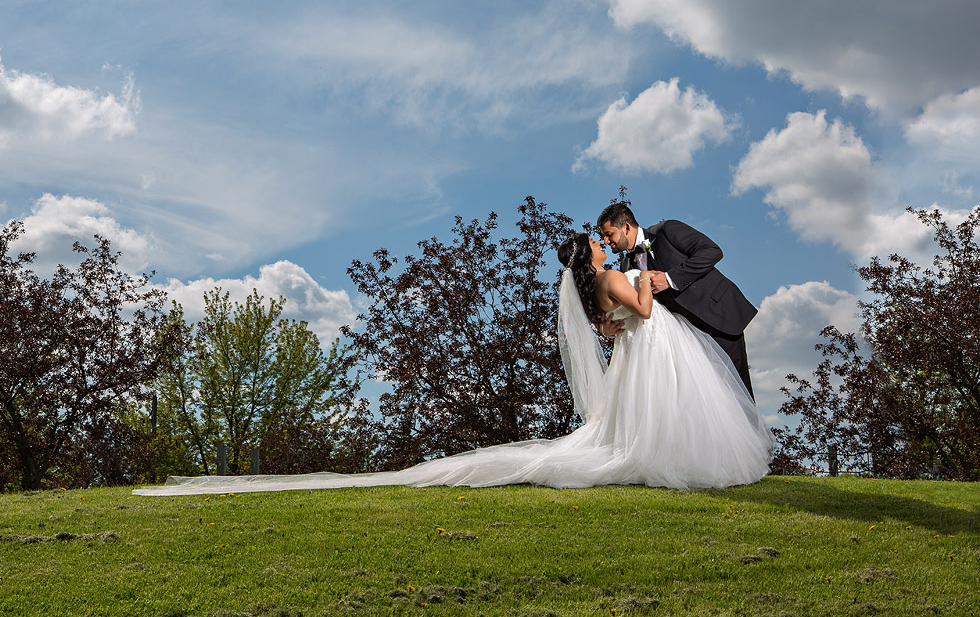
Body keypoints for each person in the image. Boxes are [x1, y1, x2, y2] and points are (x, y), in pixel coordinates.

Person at [132, 231, 773, 498]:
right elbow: (643, 311)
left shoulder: (599, 284)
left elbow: (611, 323)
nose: (603, 242)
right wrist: (648, 284)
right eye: (596, 242)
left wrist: (635, 287)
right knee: (657, 421)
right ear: (591, 256)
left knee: (654, 418)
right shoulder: (612, 278)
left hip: (643, 357)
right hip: (652, 343)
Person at [597, 202, 756, 398]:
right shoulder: (626, 265)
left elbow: (712, 251)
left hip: (717, 317)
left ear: (626, 227)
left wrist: (670, 278)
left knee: (739, 395)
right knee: (711, 401)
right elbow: (635, 308)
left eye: (608, 234)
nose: (605, 241)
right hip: (684, 339)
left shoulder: (667, 230)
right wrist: (607, 329)